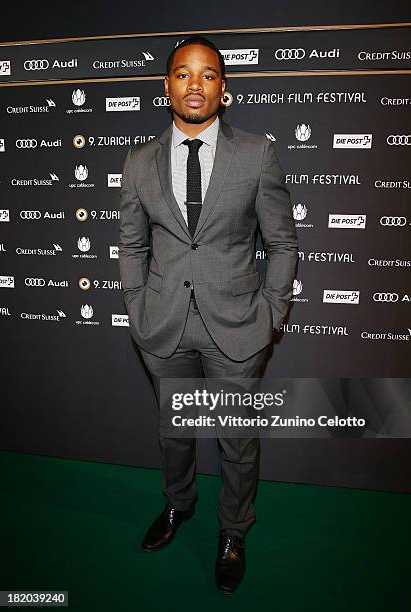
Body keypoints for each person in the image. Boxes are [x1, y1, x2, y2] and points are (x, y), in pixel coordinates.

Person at [118, 35, 298, 593]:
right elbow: (132, 244)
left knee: (236, 441)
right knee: (175, 433)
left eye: (208, 74)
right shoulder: (139, 159)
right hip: (164, 326)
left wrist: (270, 314)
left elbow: (283, 243)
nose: (194, 84)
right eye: (182, 74)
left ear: (225, 89)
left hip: (238, 327)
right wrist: (136, 305)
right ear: (165, 84)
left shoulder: (256, 153)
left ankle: (234, 531)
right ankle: (179, 506)